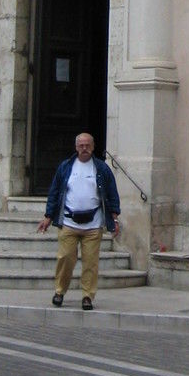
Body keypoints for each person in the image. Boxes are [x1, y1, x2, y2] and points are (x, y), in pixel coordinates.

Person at [37, 132, 120, 310]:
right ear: (76, 147)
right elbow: (54, 192)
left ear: (93, 147)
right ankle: (60, 291)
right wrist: (48, 217)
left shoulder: (101, 168)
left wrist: (114, 217)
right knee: (65, 258)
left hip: (93, 224)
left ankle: (87, 296)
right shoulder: (66, 167)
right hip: (69, 223)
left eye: (87, 145)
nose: (84, 148)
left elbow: (112, 193)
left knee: (90, 262)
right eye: (81, 145)